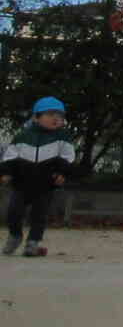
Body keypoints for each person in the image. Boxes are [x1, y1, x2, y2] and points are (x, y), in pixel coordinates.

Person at [3, 96, 76, 258]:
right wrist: (6, 172)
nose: (56, 118)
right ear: (36, 117)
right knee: (13, 212)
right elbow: (10, 156)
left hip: (46, 183)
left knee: (39, 214)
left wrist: (63, 173)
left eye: (60, 115)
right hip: (22, 182)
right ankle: (15, 235)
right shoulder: (22, 136)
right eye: (50, 114)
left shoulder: (63, 138)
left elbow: (68, 157)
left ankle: (33, 242)